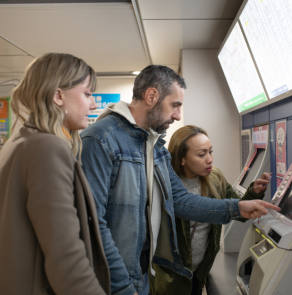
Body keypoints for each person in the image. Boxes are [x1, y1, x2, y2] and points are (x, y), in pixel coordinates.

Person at [79, 65, 279, 295]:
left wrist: (238, 207)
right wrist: (122, 285)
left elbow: (180, 200)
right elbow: (92, 222)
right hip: (113, 281)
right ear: (151, 96)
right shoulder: (101, 139)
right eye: (175, 105)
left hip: (140, 274)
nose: (177, 115)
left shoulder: (153, 146)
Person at [0, 53, 110, 295]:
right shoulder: (47, 148)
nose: (93, 105)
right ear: (58, 95)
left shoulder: (21, 142)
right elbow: (66, 257)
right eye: (87, 94)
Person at [149, 125, 271, 295]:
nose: (209, 159)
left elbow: (240, 211)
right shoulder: (164, 185)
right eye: (201, 154)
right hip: (169, 278)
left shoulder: (215, 178)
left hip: (199, 274)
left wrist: (254, 192)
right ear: (181, 158)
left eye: (210, 152)